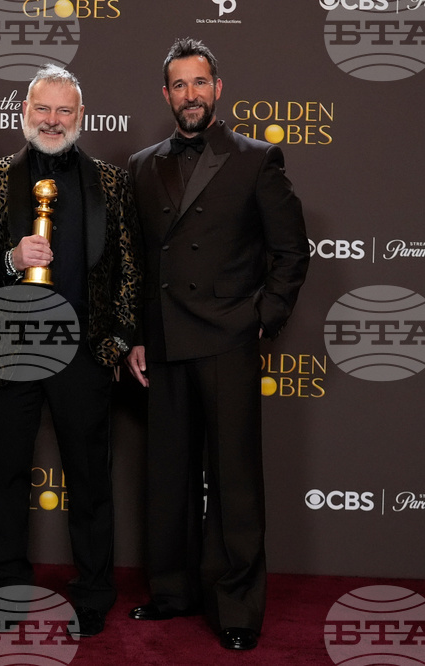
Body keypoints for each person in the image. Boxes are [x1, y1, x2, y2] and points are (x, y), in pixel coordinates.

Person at [125, 38, 309, 651]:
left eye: (200, 83)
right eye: (179, 85)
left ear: (218, 89)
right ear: (166, 95)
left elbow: (290, 251)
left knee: (233, 480)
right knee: (168, 475)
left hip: (228, 336)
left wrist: (264, 318)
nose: (191, 95)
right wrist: (139, 338)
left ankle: (236, 607)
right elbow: (143, 262)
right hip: (166, 341)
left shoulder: (257, 159)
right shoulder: (143, 164)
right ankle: (172, 591)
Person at [0, 65, 141, 638]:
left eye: (65, 111)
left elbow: (130, 271)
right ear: (24, 114)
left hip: (84, 351)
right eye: (43, 109)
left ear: (81, 118)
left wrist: (113, 344)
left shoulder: (111, 183)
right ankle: (9, 589)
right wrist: (11, 260)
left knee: (90, 478)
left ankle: (93, 592)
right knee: (7, 476)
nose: (53, 120)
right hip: (9, 348)